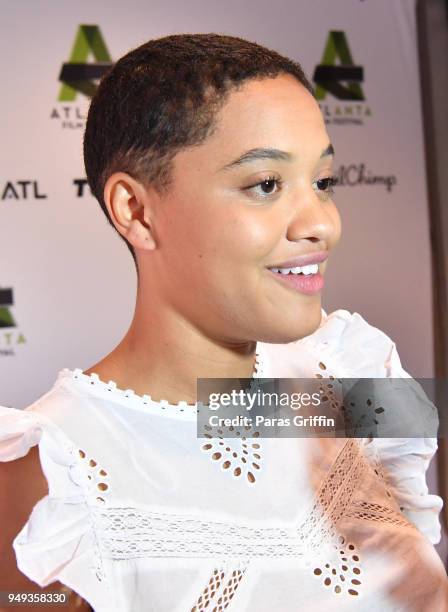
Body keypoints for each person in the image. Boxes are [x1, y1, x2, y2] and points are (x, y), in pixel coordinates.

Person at [1, 33, 447, 612]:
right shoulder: (53, 478)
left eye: (323, 183)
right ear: (135, 211)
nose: (322, 225)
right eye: (266, 185)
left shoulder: (352, 366)